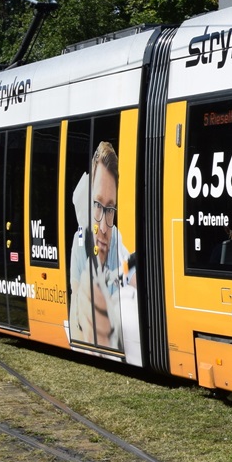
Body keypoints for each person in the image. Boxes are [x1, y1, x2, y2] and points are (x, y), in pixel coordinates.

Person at [68, 141, 138, 363]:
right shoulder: (80, 241)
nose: (104, 227)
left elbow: (131, 273)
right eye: (97, 205)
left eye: (110, 209)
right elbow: (75, 312)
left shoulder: (116, 238)